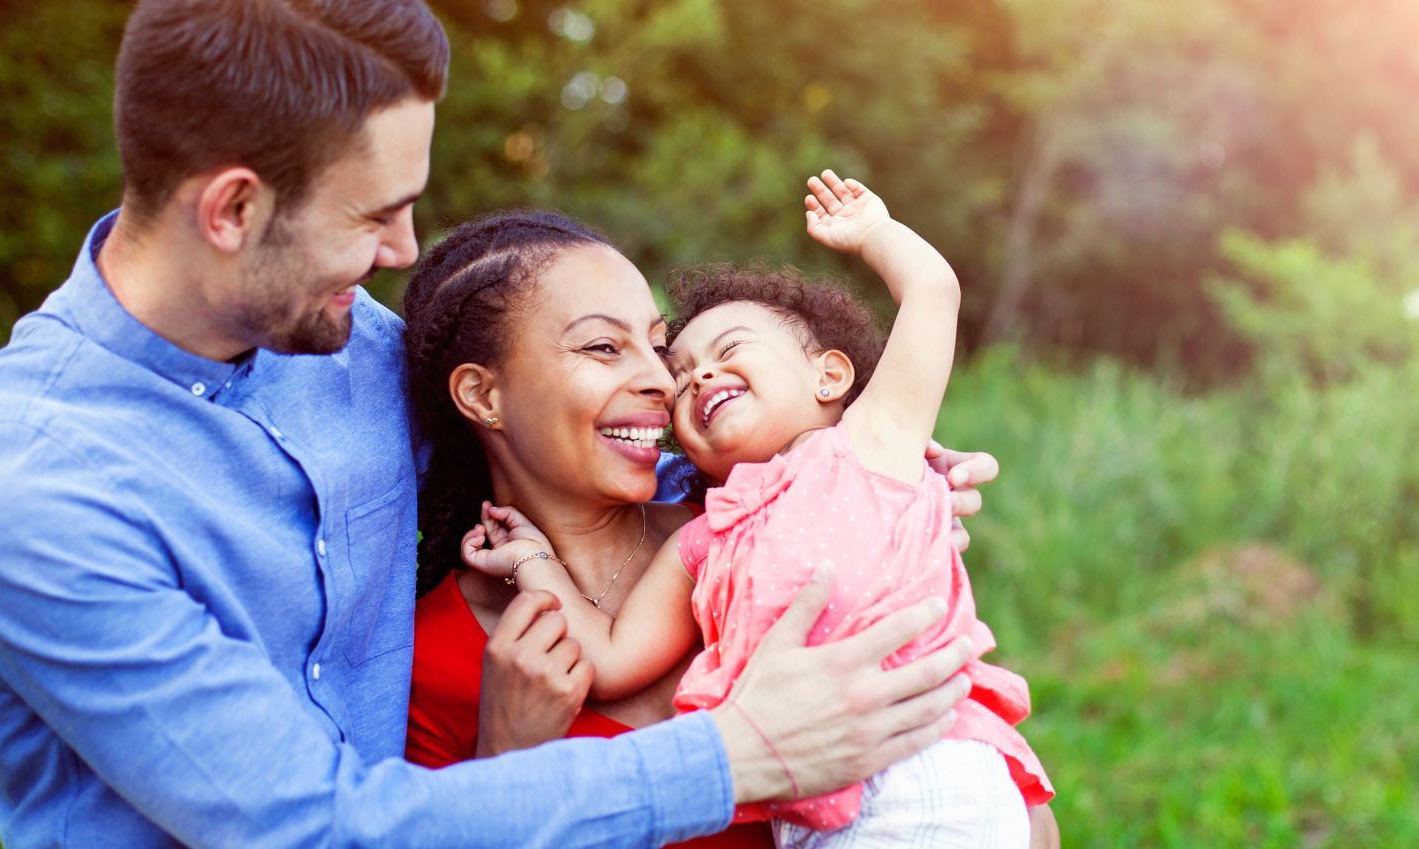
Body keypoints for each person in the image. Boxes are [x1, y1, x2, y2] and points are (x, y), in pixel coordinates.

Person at [0, 3, 983, 847]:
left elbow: (581, 447)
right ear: (233, 210)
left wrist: (841, 476)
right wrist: (737, 755)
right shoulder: (32, 499)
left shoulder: (350, 349)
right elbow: (310, 828)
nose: (400, 250)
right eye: (373, 214)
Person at [401, 209, 1056, 848]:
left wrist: (877, 455)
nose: (662, 380)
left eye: (657, 348)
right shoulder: (433, 661)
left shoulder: (754, 529)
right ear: (483, 396)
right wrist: (508, 762)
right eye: (603, 346)